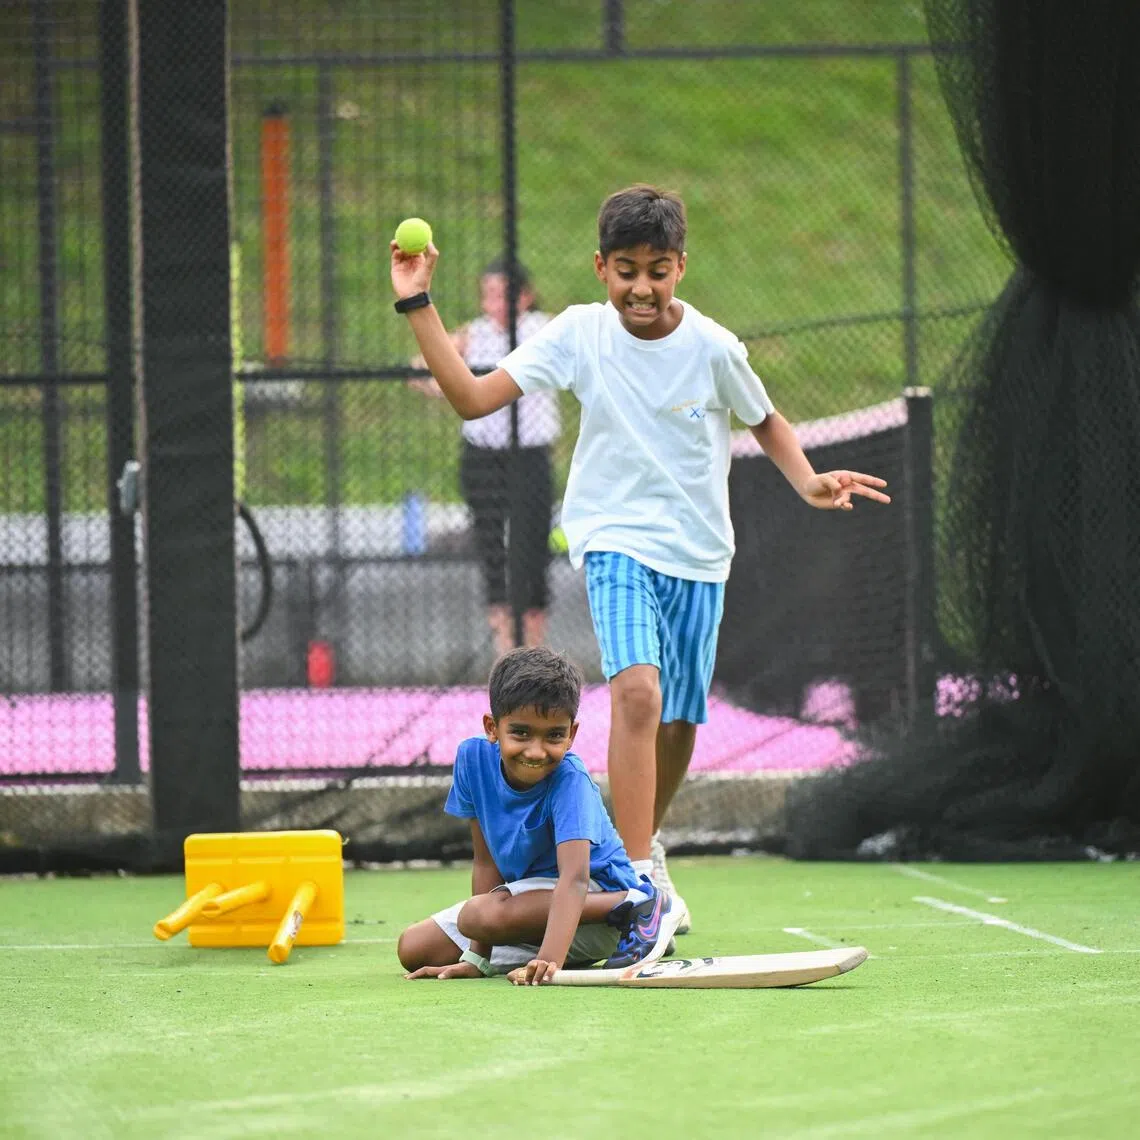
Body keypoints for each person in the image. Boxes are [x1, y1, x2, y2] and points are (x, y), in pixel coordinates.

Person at [390, 184, 891, 936]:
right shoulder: (579, 334)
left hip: (700, 553)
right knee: (638, 697)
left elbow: (765, 419)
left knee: (680, 720)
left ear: (680, 268)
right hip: (615, 540)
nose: (642, 286)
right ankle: (632, 892)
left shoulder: (715, 348)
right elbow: (468, 396)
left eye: (658, 269)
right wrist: (417, 301)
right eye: (627, 269)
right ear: (601, 268)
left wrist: (811, 481)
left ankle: (643, 858)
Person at [396, 645, 682, 985]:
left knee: (477, 914)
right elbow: (486, 864)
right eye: (521, 732)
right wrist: (478, 958)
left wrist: (549, 962)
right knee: (413, 947)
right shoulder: (472, 758)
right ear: (492, 727)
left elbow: (574, 879)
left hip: (594, 904)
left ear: (571, 734)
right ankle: (633, 921)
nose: (536, 751)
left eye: (554, 735)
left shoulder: (570, 780)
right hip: (529, 904)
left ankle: (639, 903)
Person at [409, 259, 559, 655]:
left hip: (529, 457)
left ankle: (533, 653)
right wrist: (451, 388)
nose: (495, 302)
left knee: (532, 551)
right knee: (492, 550)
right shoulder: (474, 334)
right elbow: (419, 368)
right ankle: (505, 654)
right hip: (483, 458)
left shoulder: (542, 329)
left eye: (504, 293)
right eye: (488, 294)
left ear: (524, 296)